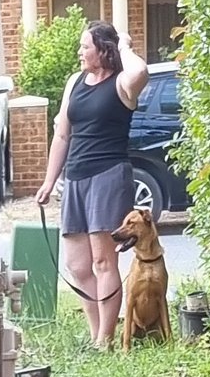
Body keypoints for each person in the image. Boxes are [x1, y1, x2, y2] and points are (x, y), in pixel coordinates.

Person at [38, 19, 149, 348]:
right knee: (77, 264)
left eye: (85, 46)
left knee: (103, 261)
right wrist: (49, 180)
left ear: (103, 51)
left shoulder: (122, 85)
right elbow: (62, 133)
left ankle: (105, 339)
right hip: (75, 177)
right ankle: (95, 331)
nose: (79, 52)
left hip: (109, 175)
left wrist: (125, 46)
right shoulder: (75, 82)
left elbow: (141, 72)